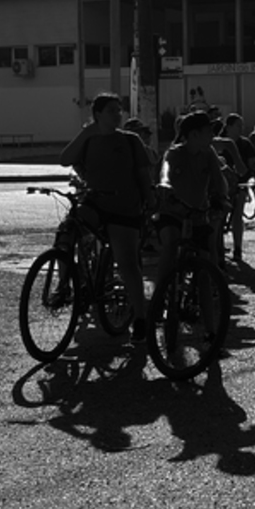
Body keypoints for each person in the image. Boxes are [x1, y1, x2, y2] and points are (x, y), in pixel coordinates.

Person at [59, 92, 157, 343]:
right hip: (95, 203)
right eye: (112, 110)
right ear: (98, 114)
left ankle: (140, 319)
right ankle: (66, 285)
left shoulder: (131, 140)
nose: (118, 114)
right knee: (67, 231)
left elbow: (144, 177)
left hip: (125, 206)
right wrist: (88, 132)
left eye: (119, 110)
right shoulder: (89, 139)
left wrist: (150, 204)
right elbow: (65, 159)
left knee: (127, 263)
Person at [156, 111, 229, 289]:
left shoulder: (208, 153)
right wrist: (165, 184)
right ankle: (160, 296)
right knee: (171, 243)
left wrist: (223, 199)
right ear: (194, 135)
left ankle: (209, 313)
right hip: (173, 213)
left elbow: (218, 179)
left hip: (198, 214)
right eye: (208, 131)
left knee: (206, 263)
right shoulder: (175, 153)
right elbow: (165, 170)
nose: (213, 135)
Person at [220, 113, 255, 263]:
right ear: (228, 127)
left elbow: (251, 163)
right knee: (220, 217)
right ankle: (219, 247)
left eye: (241, 126)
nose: (240, 129)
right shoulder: (220, 143)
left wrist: (253, 170)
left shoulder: (245, 144)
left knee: (237, 215)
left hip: (240, 184)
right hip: (222, 184)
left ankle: (237, 248)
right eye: (238, 126)